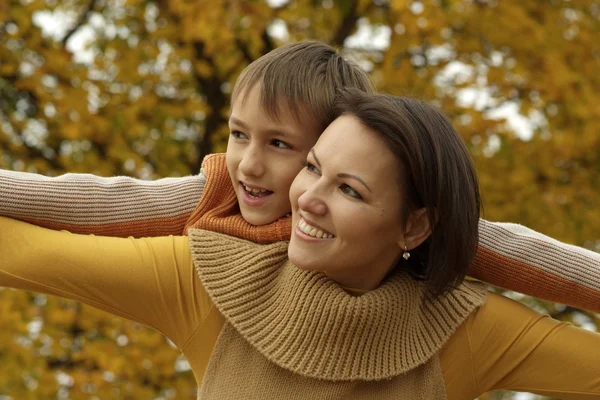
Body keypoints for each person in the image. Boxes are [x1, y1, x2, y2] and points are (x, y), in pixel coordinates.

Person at [1, 89, 598, 399]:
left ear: (416, 227)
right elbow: (24, 253)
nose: (307, 198)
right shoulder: (212, 280)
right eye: (312, 167)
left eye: (351, 190)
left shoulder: (466, 331)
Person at [1, 41, 599, 311]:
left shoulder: (398, 219)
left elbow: (520, 252)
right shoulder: (217, 197)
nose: (249, 164)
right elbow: (100, 201)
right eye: (239, 134)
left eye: (282, 145)